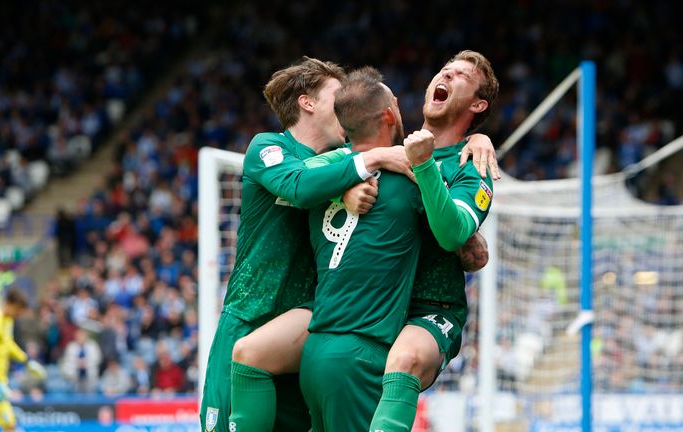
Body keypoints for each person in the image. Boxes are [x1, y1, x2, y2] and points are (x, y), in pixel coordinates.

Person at [201, 56, 414, 432]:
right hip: (250, 318)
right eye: (338, 95)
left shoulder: (343, 163)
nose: (348, 103)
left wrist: (477, 137)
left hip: (307, 328)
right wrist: (371, 159)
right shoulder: (268, 148)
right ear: (308, 102)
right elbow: (298, 186)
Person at [369, 50, 500, 431]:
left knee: (406, 358)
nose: (446, 74)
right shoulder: (387, 146)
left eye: (460, 75)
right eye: (444, 69)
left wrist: (427, 165)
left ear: (477, 103)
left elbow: (453, 234)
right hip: (369, 300)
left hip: (431, 306)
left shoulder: (473, 164)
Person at [297, 66, 423, 431]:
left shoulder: (322, 181)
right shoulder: (410, 182)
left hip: (315, 353)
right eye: (396, 103)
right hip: (359, 357)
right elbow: (457, 236)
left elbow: (308, 176)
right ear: (388, 115)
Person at [0, 288, 46, 432]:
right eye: (18, 309)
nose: (19, 314)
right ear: (9, 304)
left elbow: (8, 344)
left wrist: (26, 361)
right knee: (10, 425)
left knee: (10, 425)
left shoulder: (8, 321)